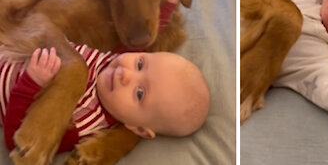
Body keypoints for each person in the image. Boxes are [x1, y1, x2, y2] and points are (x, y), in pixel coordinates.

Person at [0, 43, 210, 152]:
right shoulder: (113, 60)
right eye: (139, 64)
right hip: (14, 40)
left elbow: (18, 142)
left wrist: (31, 82)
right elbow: (141, 37)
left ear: (138, 129)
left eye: (139, 93)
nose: (126, 74)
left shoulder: (83, 124)